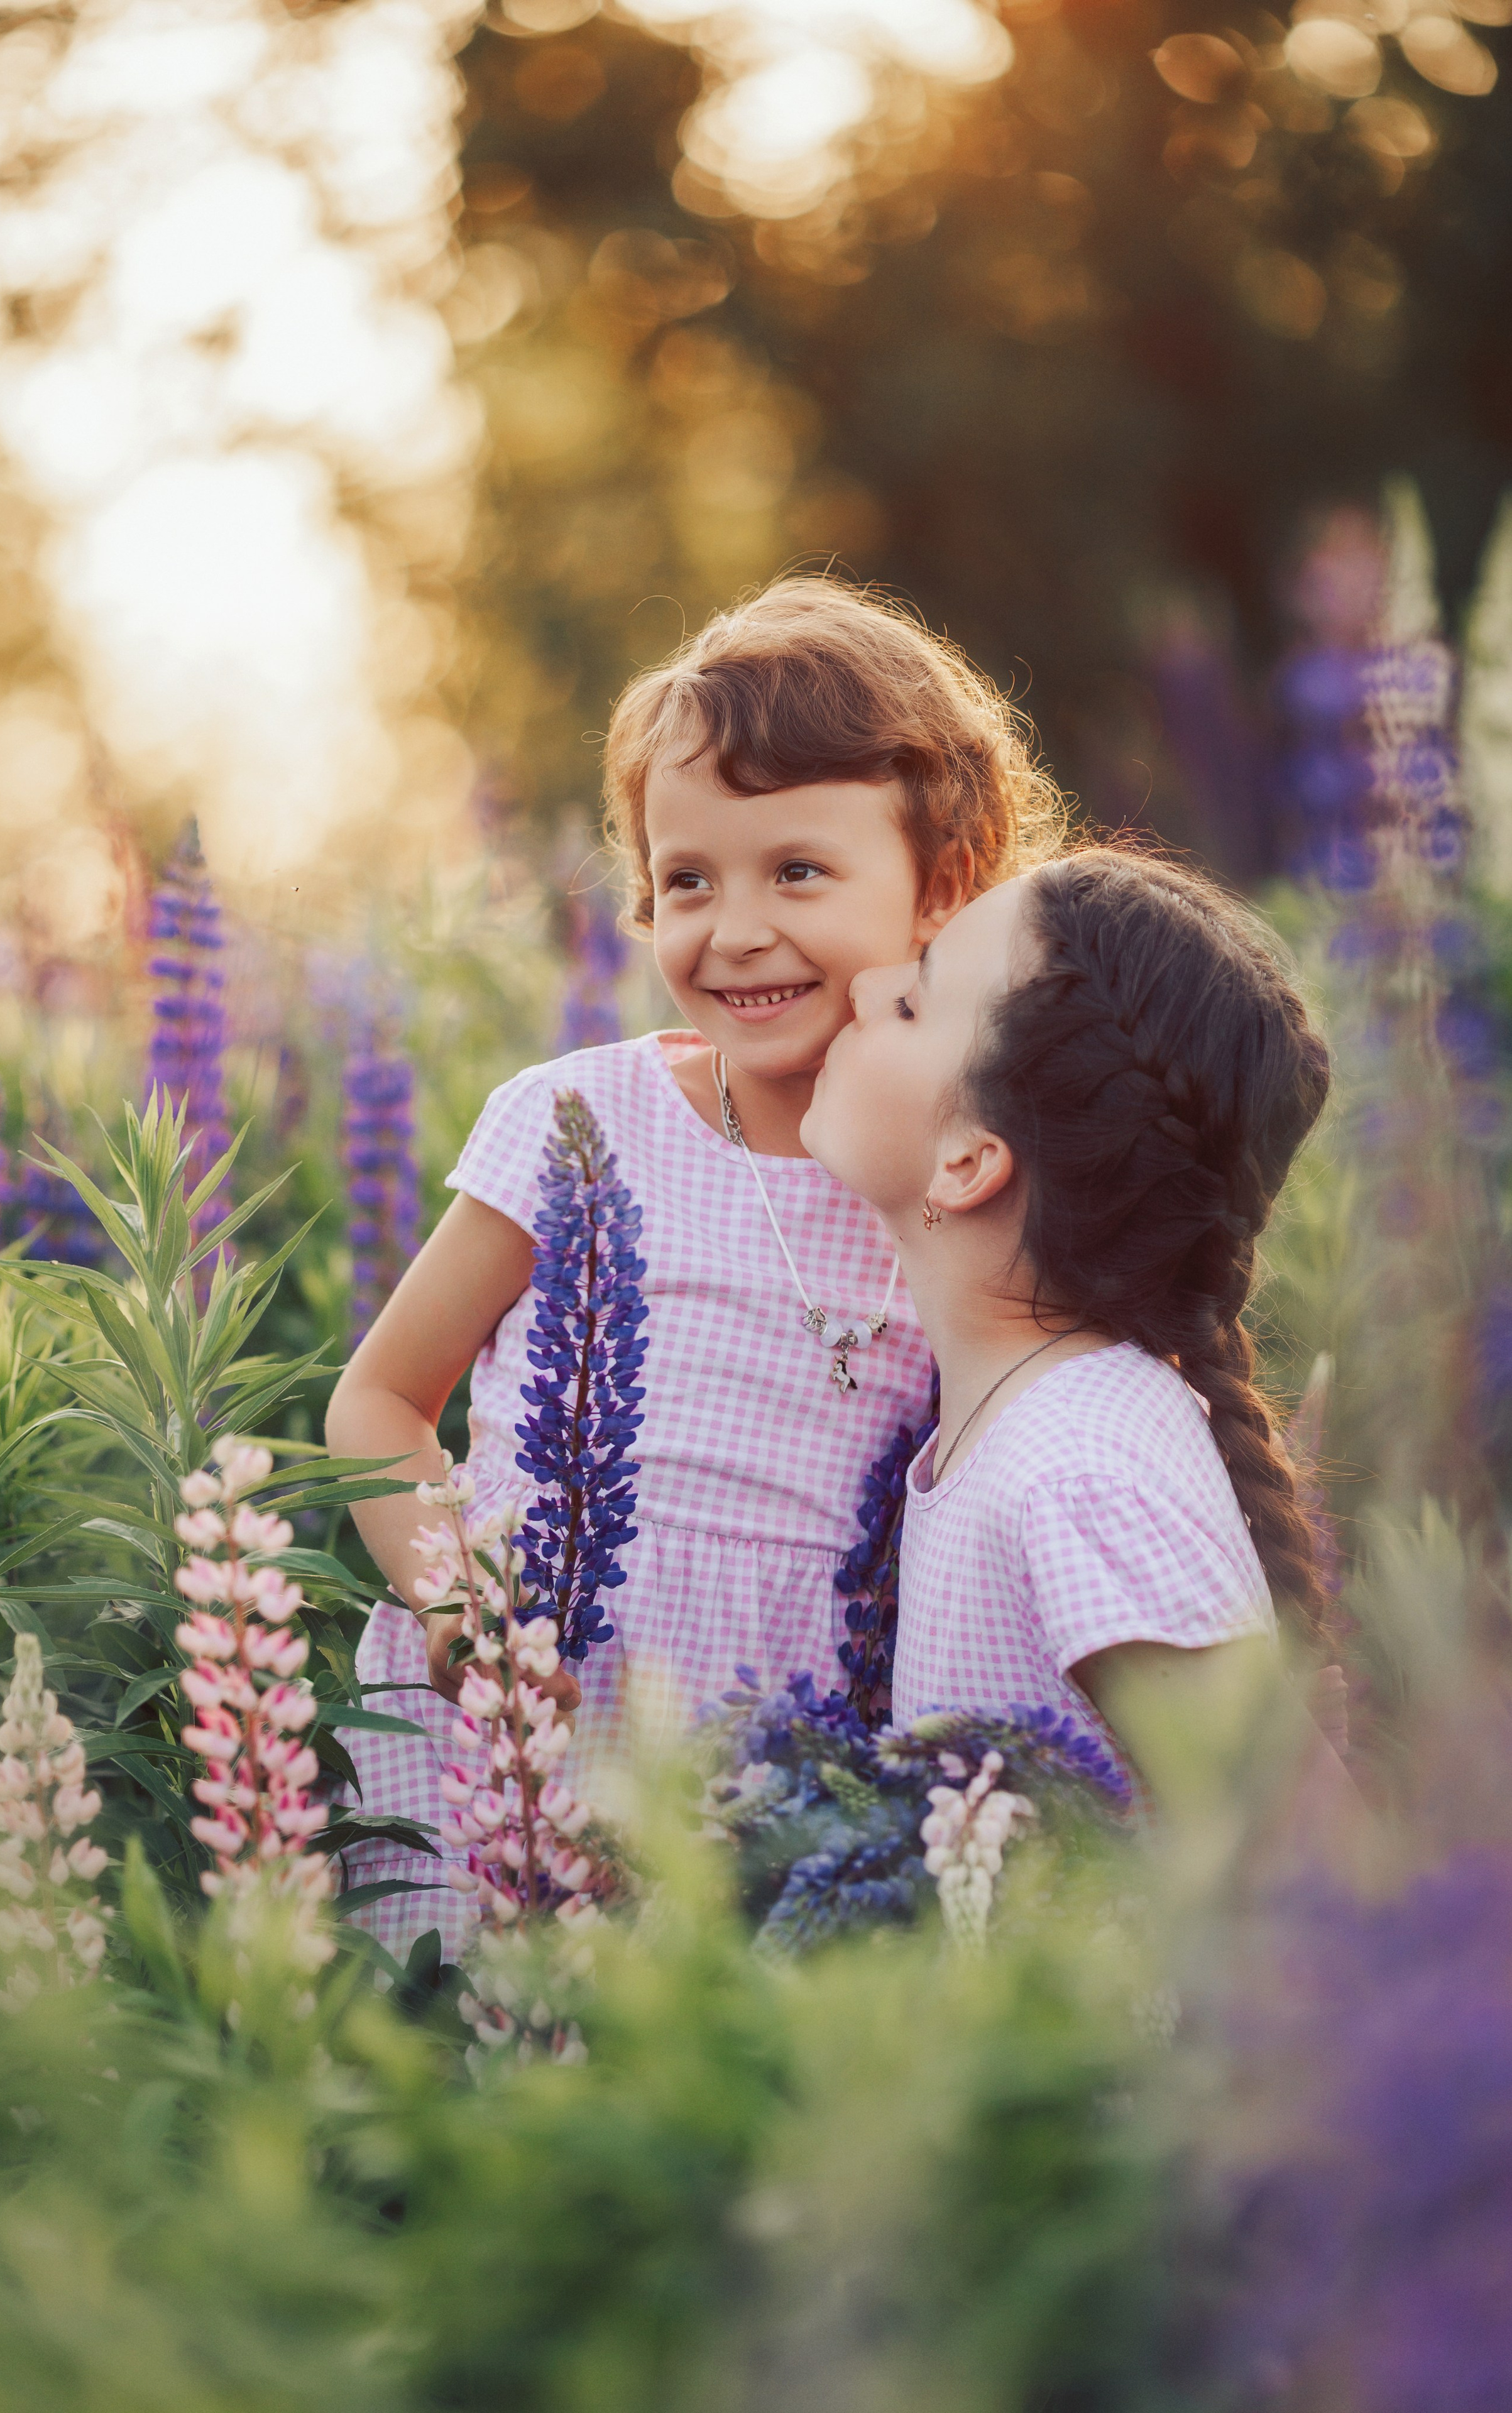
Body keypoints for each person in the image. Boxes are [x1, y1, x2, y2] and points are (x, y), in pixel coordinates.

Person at [326, 575, 1062, 1955]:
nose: (731, 929)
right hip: (510, 1730)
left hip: (775, 1776)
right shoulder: (577, 1119)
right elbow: (377, 1402)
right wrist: (448, 1593)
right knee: (451, 2091)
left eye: (796, 871)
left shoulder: (962, 1181)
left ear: (940, 887)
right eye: (684, 880)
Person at [799, 844, 1344, 1829]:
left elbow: (1315, 1870)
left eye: (916, 1002)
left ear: (968, 1162)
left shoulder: (1074, 1470)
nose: (868, 984)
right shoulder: (1030, 1425)